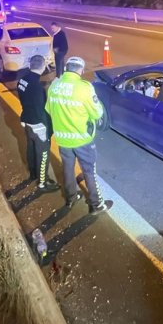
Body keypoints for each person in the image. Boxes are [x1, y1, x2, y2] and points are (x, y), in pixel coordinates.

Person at [46, 56, 111, 215]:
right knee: (89, 171)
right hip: (82, 139)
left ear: (67, 68)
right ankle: (97, 204)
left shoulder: (54, 86)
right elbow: (97, 113)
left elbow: (49, 110)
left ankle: (71, 198)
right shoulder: (85, 88)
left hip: (62, 138)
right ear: (80, 70)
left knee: (68, 168)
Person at [16, 55, 60, 193]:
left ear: (30, 65)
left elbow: (26, 100)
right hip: (38, 124)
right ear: (42, 67)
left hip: (26, 120)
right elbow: (40, 109)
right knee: (43, 153)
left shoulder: (22, 80)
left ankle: (33, 174)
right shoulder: (36, 87)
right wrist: (47, 128)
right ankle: (42, 183)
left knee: (31, 148)